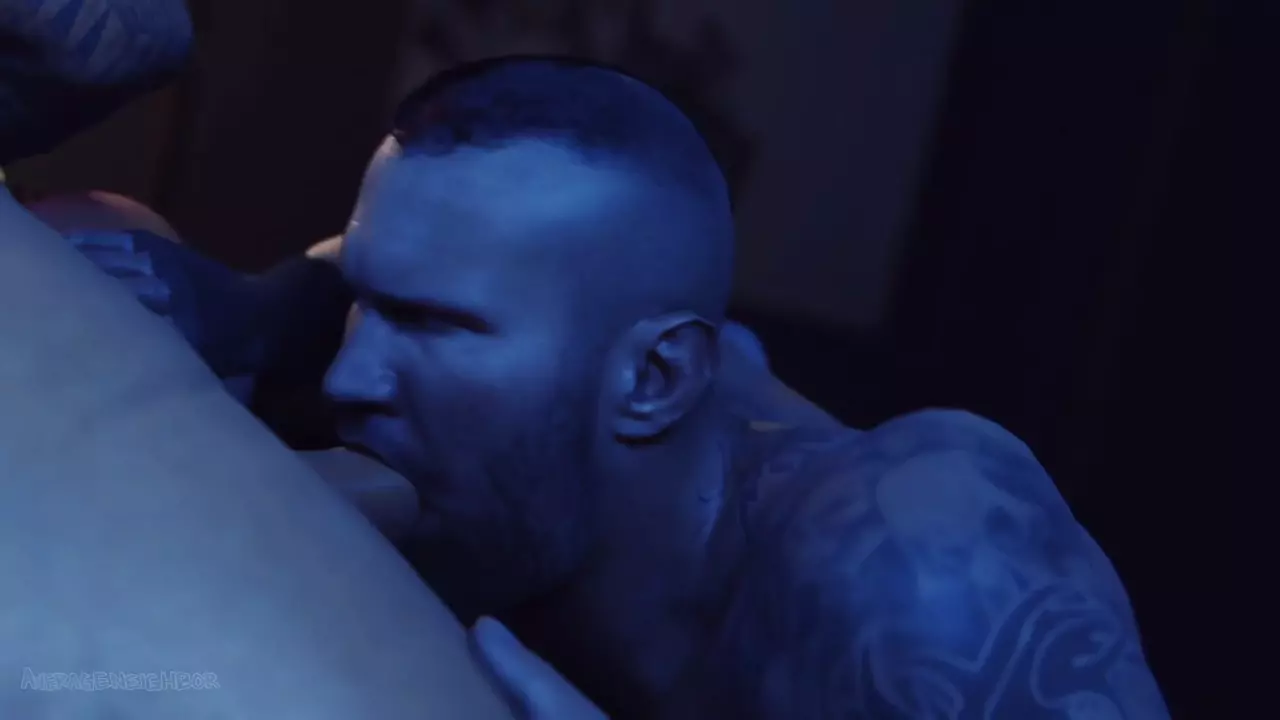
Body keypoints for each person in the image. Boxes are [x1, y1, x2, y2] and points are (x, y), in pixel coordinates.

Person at [92, 55, 1171, 718]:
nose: (350, 375)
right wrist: (234, 307)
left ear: (655, 379)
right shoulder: (499, 370)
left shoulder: (920, 581)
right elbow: (350, 283)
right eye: (369, 302)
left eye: (430, 325)